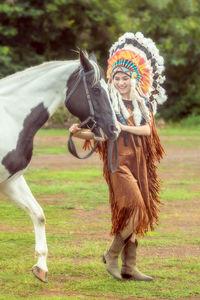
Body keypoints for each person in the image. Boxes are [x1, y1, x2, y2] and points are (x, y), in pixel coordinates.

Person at [69, 32, 167, 281]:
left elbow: (147, 131)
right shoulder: (109, 106)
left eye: (125, 78)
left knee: (134, 214)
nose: (121, 82)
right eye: (117, 78)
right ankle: (112, 254)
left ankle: (129, 266)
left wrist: (124, 127)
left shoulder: (142, 104)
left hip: (140, 164)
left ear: (134, 79)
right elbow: (101, 135)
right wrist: (78, 134)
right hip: (118, 163)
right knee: (137, 210)